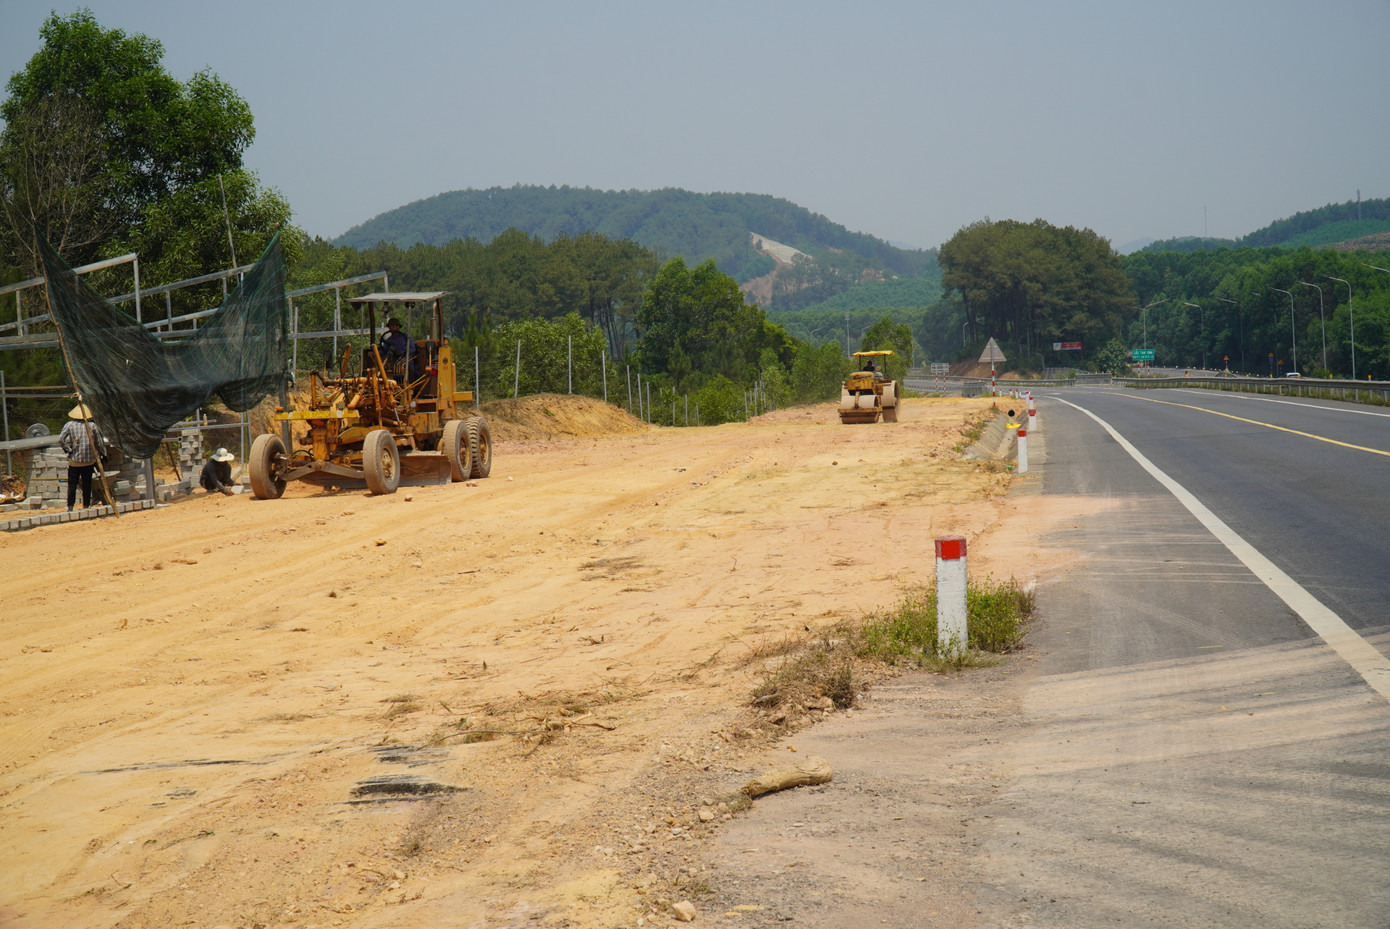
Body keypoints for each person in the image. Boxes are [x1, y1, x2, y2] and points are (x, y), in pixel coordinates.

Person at [58, 403, 105, 511]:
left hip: (75, 460)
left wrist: (69, 450)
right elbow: (99, 442)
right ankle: (86, 505)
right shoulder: (92, 425)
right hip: (89, 461)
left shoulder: (69, 425)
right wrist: (102, 454)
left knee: (72, 484)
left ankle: (70, 506)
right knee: (87, 484)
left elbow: (60, 440)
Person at [379, 316, 417, 380]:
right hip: (393, 363)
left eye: (394, 326)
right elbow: (382, 352)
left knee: (411, 368)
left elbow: (412, 348)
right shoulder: (388, 341)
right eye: (390, 326)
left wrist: (402, 353)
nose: (392, 328)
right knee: (386, 370)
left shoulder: (406, 338)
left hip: (406, 362)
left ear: (398, 326)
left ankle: (410, 385)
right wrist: (374, 353)